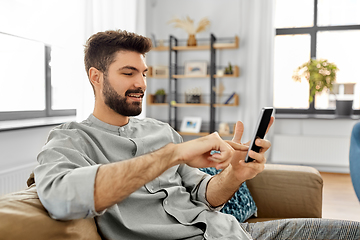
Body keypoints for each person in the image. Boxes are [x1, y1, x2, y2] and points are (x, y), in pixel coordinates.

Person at [34, 30, 360, 240]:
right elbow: (62, 199)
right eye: (128, 73)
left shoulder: (159, 130)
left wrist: (235, 174)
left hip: (233, 234)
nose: (142, 84)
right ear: (96, 76)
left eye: (144, 73)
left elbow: (206, 195)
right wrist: (172, 154)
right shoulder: (70, 140)